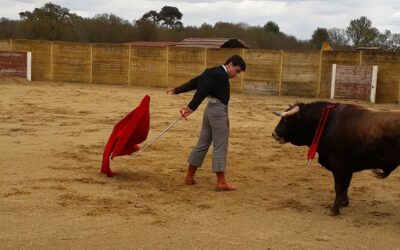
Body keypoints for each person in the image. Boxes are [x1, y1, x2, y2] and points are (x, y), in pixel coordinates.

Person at [166, 55, 246, 191]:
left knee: (202, 144)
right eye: (237, 71)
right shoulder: (219, 75)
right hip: (218, 112)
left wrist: (178, 90)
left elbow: (196, 82)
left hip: (209, 111)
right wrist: (191, 107)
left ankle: (189, 177)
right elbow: (201, 90)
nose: (236, 75)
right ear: (230, 64)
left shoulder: (211, 71)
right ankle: (221, 182)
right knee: (220, 145)